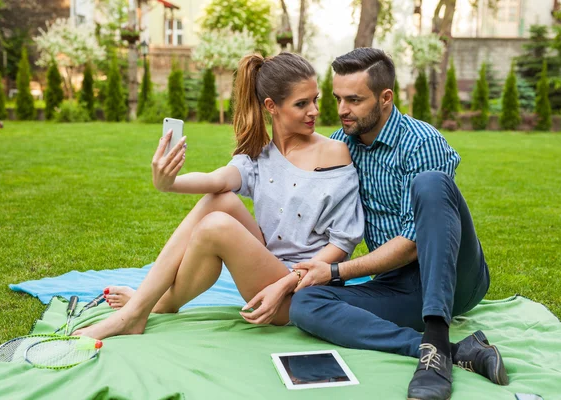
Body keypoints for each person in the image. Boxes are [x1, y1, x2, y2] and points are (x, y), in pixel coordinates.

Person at [73, 52, 364, 339]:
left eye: (315, 100)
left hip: (300, 294)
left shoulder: (333, 153)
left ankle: (141, 309)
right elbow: (215, 180)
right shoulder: (259, 158)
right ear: (271, 106)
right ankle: (150, 307)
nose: (314, 111)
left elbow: (342, 243)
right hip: (267, 273)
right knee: (219, 200)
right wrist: (168, 183)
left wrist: (286, 283)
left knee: (216, 226)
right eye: (301, 104)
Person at [288, 48, 509, 400]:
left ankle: (436, 346)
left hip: (453, 274)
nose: (342, 109)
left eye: (354, 100)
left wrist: (334, 271)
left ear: (386, 98)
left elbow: (413, 243)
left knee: (431, 183)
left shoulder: (422, 142)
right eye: (338, 98)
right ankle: (449, 350)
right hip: (398, 284)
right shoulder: (340, 144)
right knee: (305, 306)